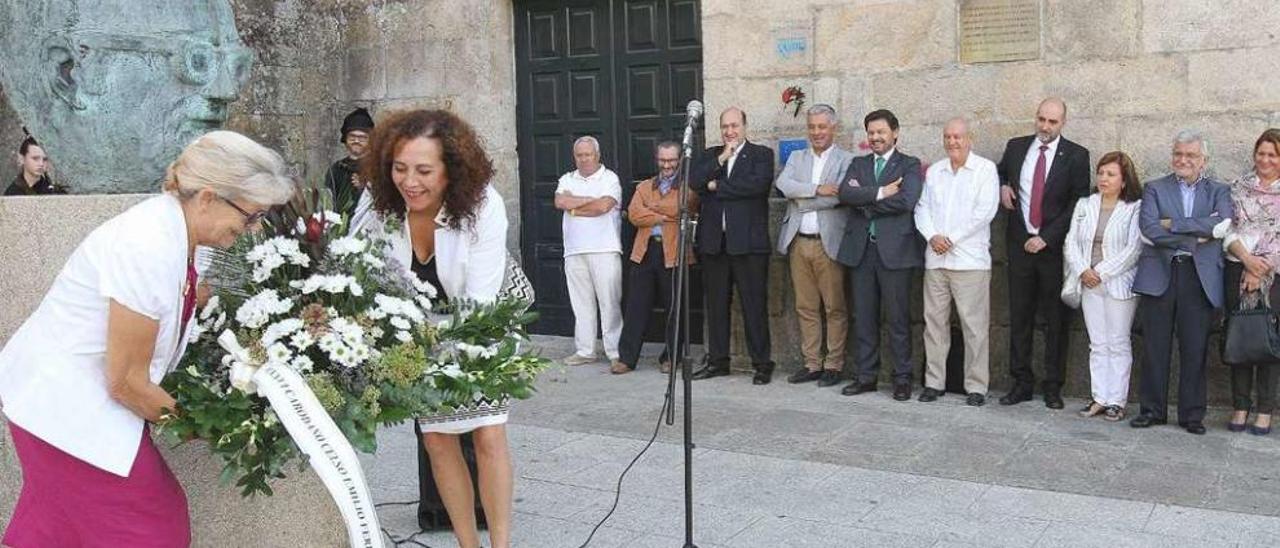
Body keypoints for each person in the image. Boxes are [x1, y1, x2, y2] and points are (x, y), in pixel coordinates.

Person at [0, 131, 294, 546]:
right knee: (154, 526)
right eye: (250, 216)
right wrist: (209, 430)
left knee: (58, 529)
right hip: (63, 408)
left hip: (65, 402)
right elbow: (126, 381)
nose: (252, 228)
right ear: (208, 197)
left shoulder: (184, 232)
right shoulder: (147, 244)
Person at [356, 109, 513, 548]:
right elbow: (359, 266)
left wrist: (439, 351)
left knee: (487, 432)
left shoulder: (484, 204)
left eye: (424, 170)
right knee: (437, 438)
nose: (410, 182)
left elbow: (480, 304)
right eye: (400, 168)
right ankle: (468, 543)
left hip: (483, 322)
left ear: (451, 171)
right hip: (417, 330)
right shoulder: (379, 201)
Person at [1131, 130, 1233, 435]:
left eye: (1190, 155)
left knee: (1195, 347)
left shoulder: (1219, 191)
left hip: (1198, 277)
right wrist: (1193, 238)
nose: (1183, 160)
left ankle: (1191, 415)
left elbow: (1222, 225)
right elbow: (1149, 229)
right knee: (1154, 346)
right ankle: (1151, 410)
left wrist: (1173, 225)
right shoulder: (1154, 189)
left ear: (1204, 160)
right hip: (1160, 274)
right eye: (1178, 153)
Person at [996, 98, 1091, 409]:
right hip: (1019, 246)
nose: (1045, 127)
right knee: (1019, 316)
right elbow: (998, 173)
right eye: (1041, 119)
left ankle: (1053, 385)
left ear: (1063, 123)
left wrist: (1047, 238)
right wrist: (1002, 185)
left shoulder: (1076, 156)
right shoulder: (1016, 147)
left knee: (1056, 320)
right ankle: (1021, 381)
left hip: (1053, 250)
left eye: (1052, 122)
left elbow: (1078, 204)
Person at [837, 109, 924, 401]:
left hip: (896, 252)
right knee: (864, 316)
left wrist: (868, 203)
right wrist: (881, 193)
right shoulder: (858, 164)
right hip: (862, 252)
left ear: (895, 133)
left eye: (881, 132)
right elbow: (845, 195)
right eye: (871, 133)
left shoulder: (909, 165)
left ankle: (902, 378)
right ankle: (866, 376)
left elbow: (907, 200)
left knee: (898, 319)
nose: (875, 138)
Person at [914, 117, 999, 406]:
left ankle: (976, 386)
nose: (952, 142)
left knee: (974, 327)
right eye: (948, 136)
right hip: (936, 261)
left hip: (970, 262)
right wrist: (932, 236)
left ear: (969, 138)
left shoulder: (985, 170)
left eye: (958, 137)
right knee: (934, 325)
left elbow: (985, 211)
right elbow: (922, 208)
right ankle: (934, 382)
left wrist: (950, 238)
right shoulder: (936, 171)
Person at [689, 107, 777, 385]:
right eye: (725, 126)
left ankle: (762, 363)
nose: (730, 131)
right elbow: (694, 181)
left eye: (735, 126)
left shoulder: (761, 155)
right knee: (715, 306)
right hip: (715, 244)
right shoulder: (710, 155)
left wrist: (717, 186)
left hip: (749, 246)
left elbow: (757, 186)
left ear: (745, 126)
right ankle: (718, 361)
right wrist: (722, 159)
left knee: (754, 306)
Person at [1062, 152, 1144, 422]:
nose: (1104, 179)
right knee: (1097, 342)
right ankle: (1099, 397)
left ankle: (1117, 401)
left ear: (1123, 180)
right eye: (1101, 173)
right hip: (1087, 282)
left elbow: (1134, 249)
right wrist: (1083, 270)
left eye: (1111, 174)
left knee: (1118, 341)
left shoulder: (1133, 207)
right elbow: (1071, 242)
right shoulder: (1085, 204)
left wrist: (1101, 272)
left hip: (1118, 284)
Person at [775, 104, 852, 387]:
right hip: (799, 242)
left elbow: (839, 197)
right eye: (812, 127)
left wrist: (800, 196)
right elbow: (784, 184)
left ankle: (833, 364)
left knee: (835, 307)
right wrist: (818, 189)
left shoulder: (846, 160)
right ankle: (812, 364)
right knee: (805, 307)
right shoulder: (797, 156)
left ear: (833, 127)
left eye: (822, 126)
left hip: (827, 243)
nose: (816, 132)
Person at [615, 141, 699, 374]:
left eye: (671, 160)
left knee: (675, 307)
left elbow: (685, 208)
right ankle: (627, 358)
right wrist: (664, 216)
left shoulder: (687, 188)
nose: (667, 165)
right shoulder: (643, 186)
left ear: (680, 160)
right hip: (645, 250)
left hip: (674, 252)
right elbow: (634, 214)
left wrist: (651, 211)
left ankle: (671, 357)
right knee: (636, 307)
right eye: (662, 160)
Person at [1221, 128, 1280, 436]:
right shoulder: (1239, 187)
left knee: (1268, 339)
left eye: (1272, 154)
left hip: (1274, 275)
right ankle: (1240, 405)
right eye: (1261, 153)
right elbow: (1227, 228)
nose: (1265, 159)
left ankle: (1265, 409)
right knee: (1240, 336)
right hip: (1237, 267)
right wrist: (1246, 261)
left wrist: (1260, 269)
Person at [554, 136, 624, 368]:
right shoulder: (566, 178)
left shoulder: (610, 178)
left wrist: (575, 206)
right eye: (579, 155)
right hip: (574, 250)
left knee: (609, 302)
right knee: (581, 303)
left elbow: (604, 206)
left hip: (605, 249)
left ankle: (615, 351)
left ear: (597, 155)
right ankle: (585, 350)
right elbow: (560, 202)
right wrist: (588, 202)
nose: (584, 159)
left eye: (588, 155)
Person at [325, 107, 375, 216]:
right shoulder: (336, 169)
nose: (356, 141)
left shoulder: (377, 167)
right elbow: (328, 202)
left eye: (362, 138)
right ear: (345, 139)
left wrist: (366, 188)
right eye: (352, 137)